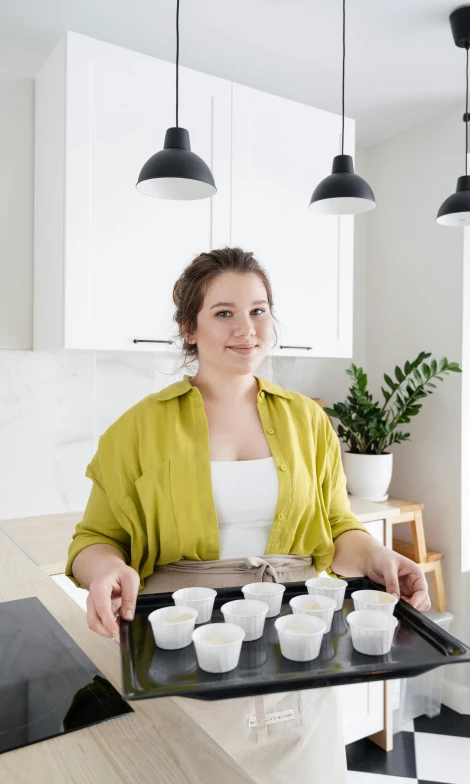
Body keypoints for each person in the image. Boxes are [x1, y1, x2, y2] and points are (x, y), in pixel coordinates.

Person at [66, 247, 430, 784]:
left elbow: (337, 530)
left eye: (259, 310)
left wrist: (377, 556)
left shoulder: (309, 421)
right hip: (181, 647)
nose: (247, 328)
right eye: (224, 312)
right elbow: (94, 540)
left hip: (297, 641)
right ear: (189, 328)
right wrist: (105, 571)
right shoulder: (138, 429)